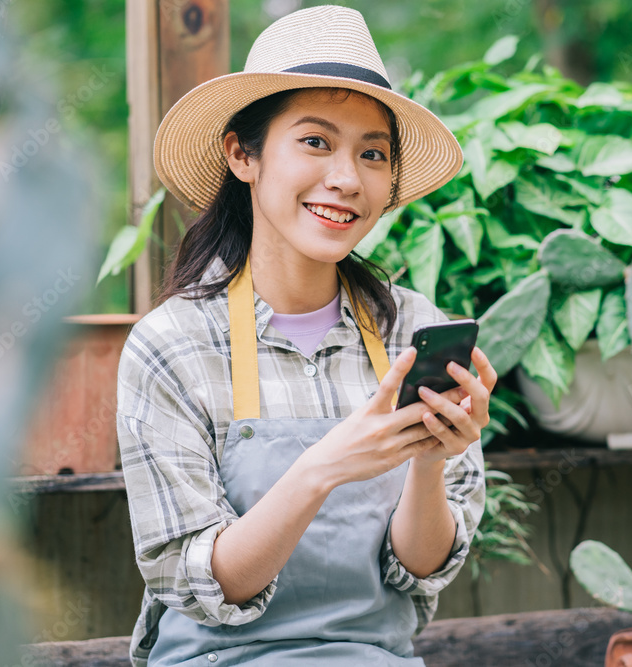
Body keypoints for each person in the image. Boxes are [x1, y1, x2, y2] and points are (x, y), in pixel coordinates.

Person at [115, 6, 497, 666]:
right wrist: (325, 464)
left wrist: (431, 455)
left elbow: (422, 569)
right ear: (243, 153)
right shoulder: (171, 346)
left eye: (372, 153)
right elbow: (203, 582)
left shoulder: (414, 328)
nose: (347, 179)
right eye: (316, 142)